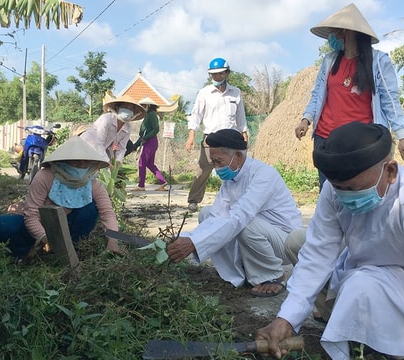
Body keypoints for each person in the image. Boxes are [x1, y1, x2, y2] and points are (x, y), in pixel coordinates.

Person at [256, 122, 404, 359]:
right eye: (340, 188)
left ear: (390, 171)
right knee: (329, 262)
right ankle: (360, 334)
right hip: (359, 279)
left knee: (362, 284)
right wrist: (286, 318)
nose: (346, 196)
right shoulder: (333, 191)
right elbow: (317, 255)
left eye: (353, 188)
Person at [167, 129, 306, 297]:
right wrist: (188, 238)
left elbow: (240, 216)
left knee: (245, 224)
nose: (216, 168)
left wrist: (193, 244)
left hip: (284, 243)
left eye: (219, 161)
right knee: (206, 213)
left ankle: (273, 275)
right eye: (214, 162)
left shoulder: (263, 175)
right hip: (259, 235)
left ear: (238, 157)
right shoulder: (231, 180)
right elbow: (217, 217)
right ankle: (240, 272)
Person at [294, 3, 404, 190]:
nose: (331, 36)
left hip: (360, 143)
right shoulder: (329, 61)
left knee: (359, 192)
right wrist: (306, 119)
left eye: (334, 31)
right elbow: (317, 94)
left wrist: (402, 136)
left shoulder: (378, 62)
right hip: (326, 139)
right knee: (328, 193)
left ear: (346, 32)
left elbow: (390, 99)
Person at [0, 136, 124, 259]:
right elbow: (31, 215)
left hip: (69, 228)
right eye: (76, 161)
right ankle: (28, 252)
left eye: (86, 161)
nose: (82, 165)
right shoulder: (44, 177)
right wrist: (45, 238)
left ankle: (69, 249)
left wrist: (113, 242)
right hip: (38, 227)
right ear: (64, 161)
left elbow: (107, 214)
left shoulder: (94, 184)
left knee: (91, 207)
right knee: (1, 225)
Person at [185, 57, 248, 212]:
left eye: (220, 73)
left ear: (226, 73)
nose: (217, 77)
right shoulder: (205, 93)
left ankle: (238, 198)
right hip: (211, 138)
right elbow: (196, 115)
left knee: (236, 169)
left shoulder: (235, 93)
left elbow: (241, 116)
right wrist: (191, 136)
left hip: (231, 138)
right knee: (203, 169)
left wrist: (244, 133)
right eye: (214, 74)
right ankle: (194, 200)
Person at [80, 91, 146, 169]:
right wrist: (107, 162)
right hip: (84, 147)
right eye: (125, 107)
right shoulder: (107, 119)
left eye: (131, 109)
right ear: (117, 108)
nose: (128, 110)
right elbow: (99, 143)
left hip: (98, 152)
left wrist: (118, 161)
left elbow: (122, 148)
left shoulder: (127, 128)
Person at [130, 97, 168, 192]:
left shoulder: (151, 115)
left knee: (141, 163)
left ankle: (141, 185)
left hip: (150, 142)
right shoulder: (147, 115)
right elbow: (143, 134)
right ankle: (163, 181)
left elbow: (156, 129)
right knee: (150, 164)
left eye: (143, 105)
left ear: (148, 105)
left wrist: (145, 138)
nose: (142, 107)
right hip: (149, 141)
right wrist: (136, 145)